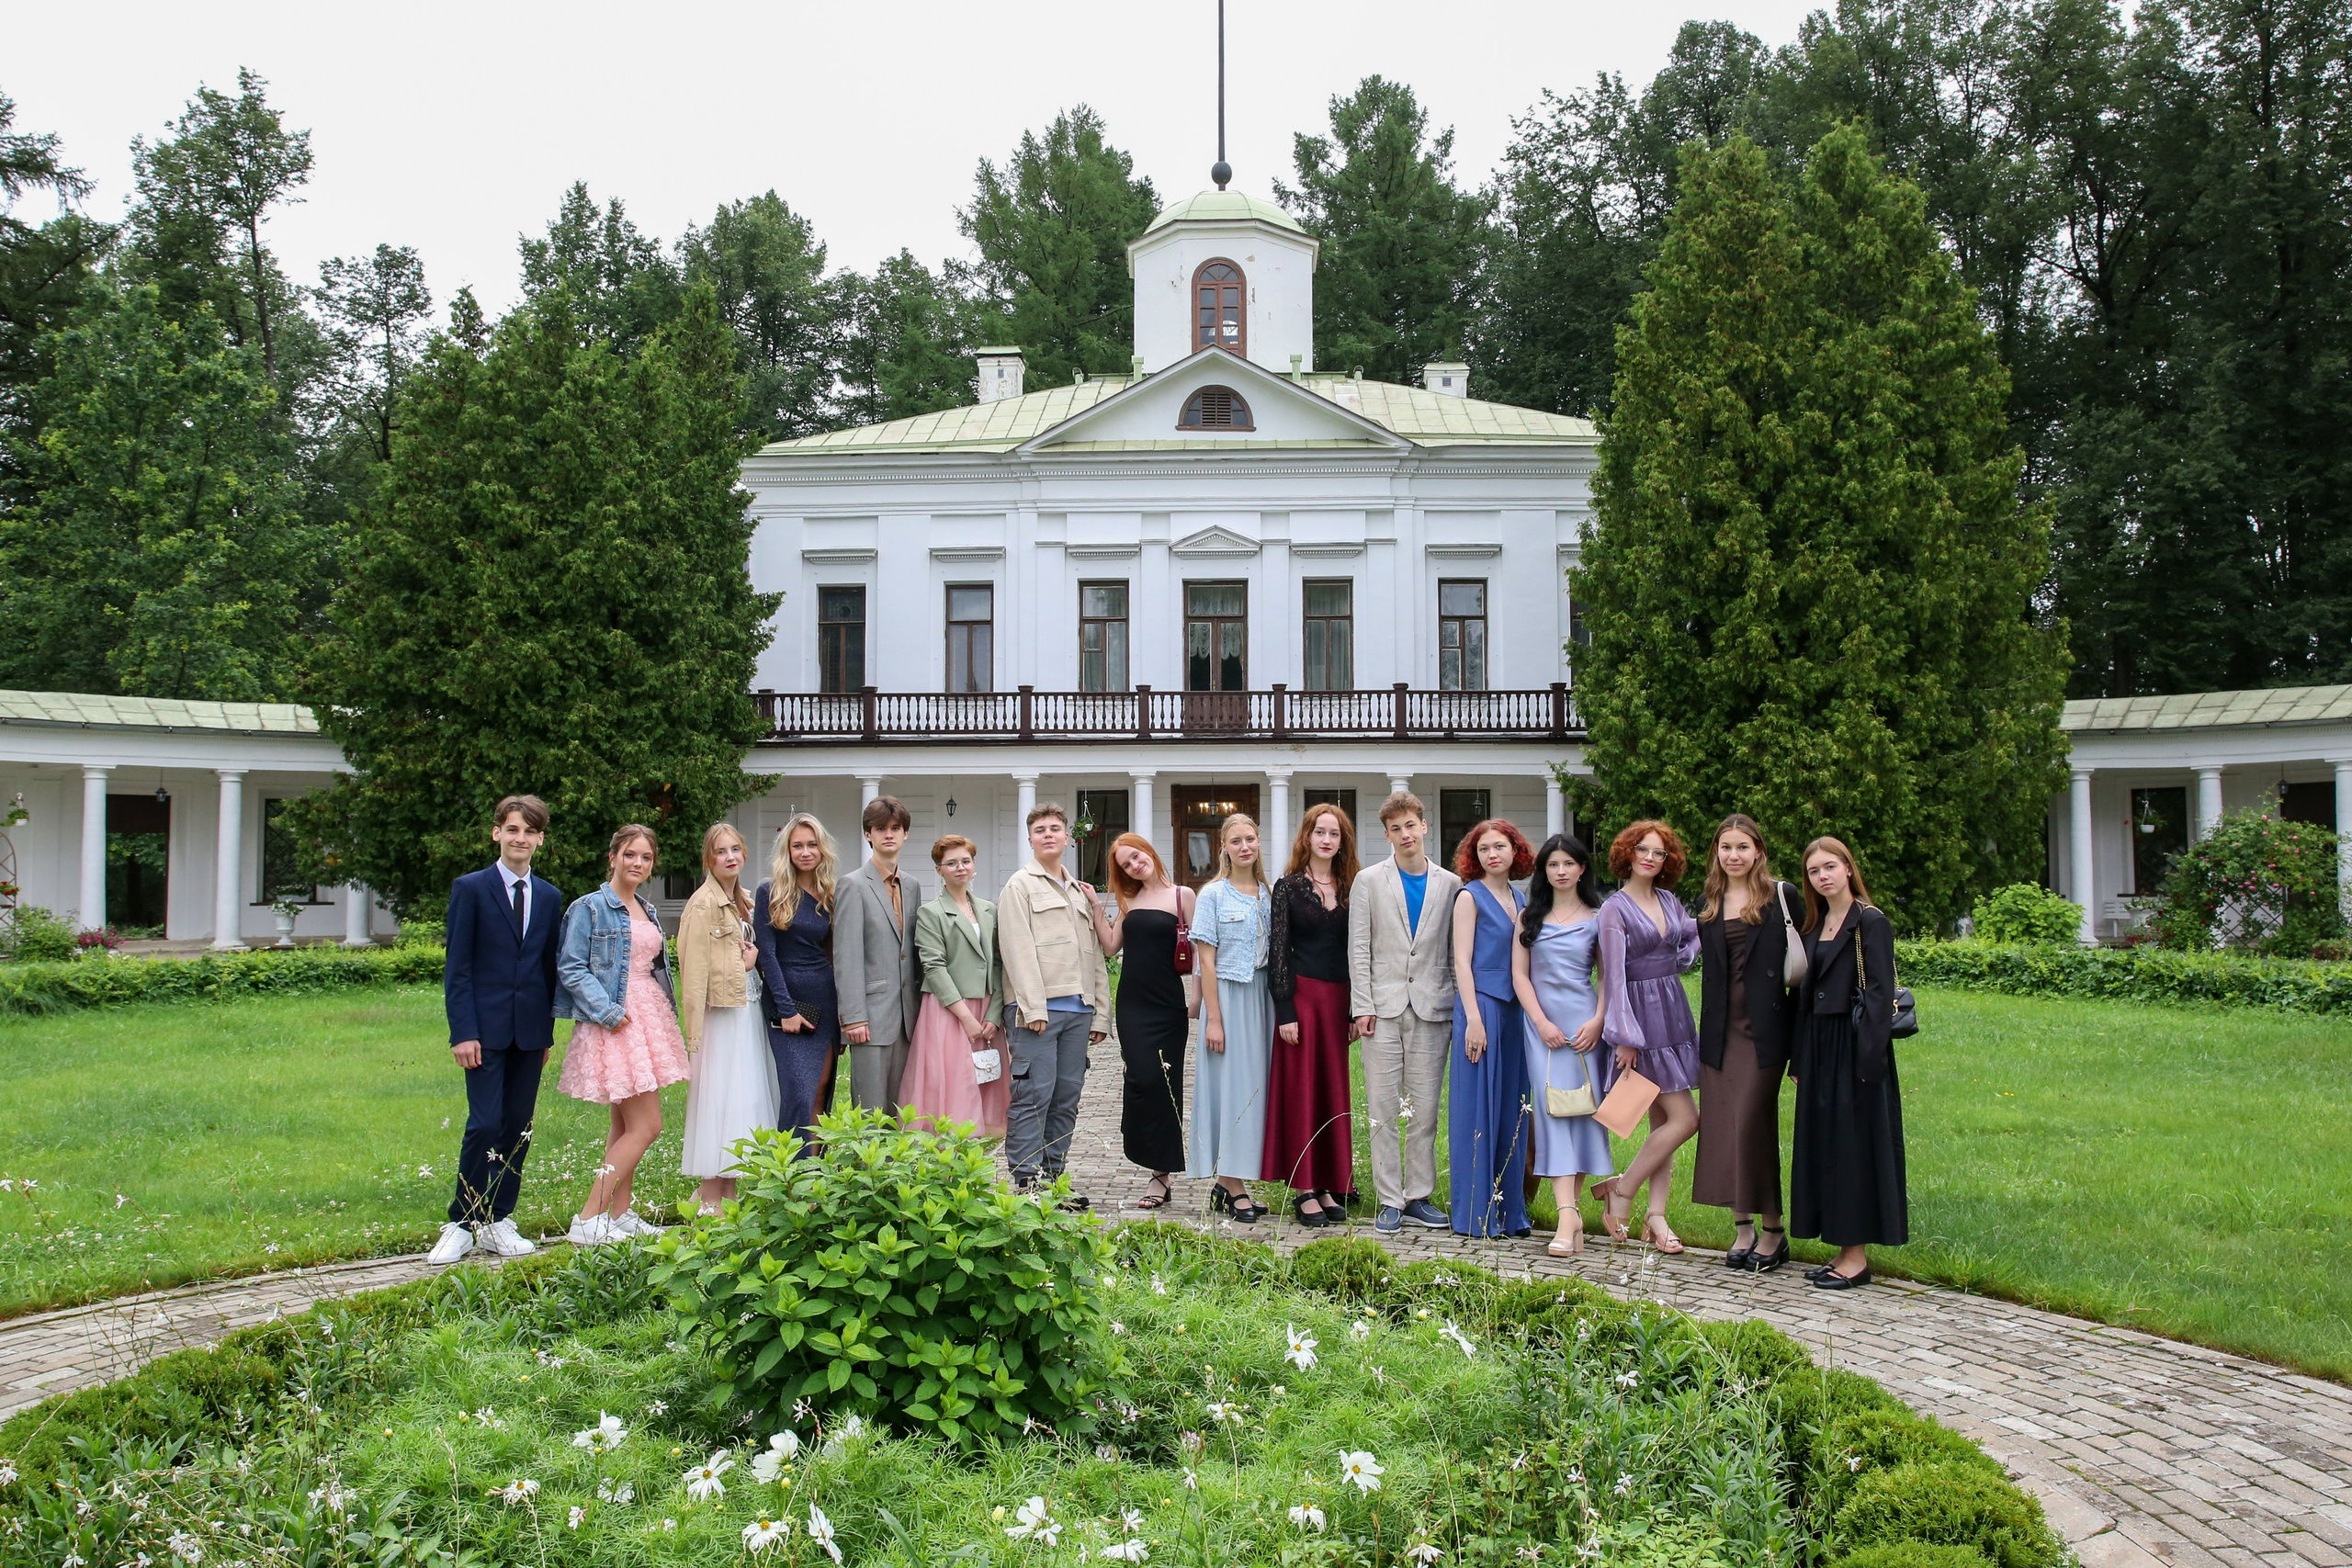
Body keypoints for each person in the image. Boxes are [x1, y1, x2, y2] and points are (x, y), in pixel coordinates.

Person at [430, 794, 563, 1266]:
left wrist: (546, 1034)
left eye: (529, 832)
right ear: (497, 834)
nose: (520, 839)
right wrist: (462, 1031)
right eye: (512, 830)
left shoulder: (549, 896)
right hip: (482, 1032)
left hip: (529, 1033)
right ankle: (462, 1222)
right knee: (484, 1122)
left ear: (539, 839)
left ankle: (498, 1219)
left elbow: (548, 969)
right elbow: (458, 967)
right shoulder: (471, 888)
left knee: (518, 1127)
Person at [554, 823, 692, 1246]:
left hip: (648, 1017)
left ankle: (618, 1211)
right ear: (612, 857)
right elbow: (571, 966)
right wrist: (608, 1012)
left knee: (624, 1122)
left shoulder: (645, 909)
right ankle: (589, 1217)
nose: (638, 863)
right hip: (617, 1019)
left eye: (646, 857)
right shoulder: (590, 908)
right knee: (647, 1125)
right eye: (630, 854)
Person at [1791, 835, 1907, 1290]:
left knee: (1853, 1149)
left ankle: (1856, 1258)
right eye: (1815, 871)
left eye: (1830, 867)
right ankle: (1841, 1248)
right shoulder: (1815, 922)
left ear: (1847, 868)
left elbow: (1879, 995)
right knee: (1827, 1148)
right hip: (1819, 1045)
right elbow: (1802, 993)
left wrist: (1869, 1060)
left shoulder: (1870, 921)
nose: (1822, 876)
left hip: (1855, 1045)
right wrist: (1799, 1058)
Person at [1694, 814, 1804, 1272]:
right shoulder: (1708, 899)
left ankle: (1774, 1230)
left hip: (1765, 1033)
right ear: (1716, 852)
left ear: (1758, 850)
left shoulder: (1782, 896)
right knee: (1721, 1128)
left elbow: (1805, 968)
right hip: (1719, 1032)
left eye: (1742, 847)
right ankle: (1743, 1228)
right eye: (1726, 847)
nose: (1733, 855)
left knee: (1752, 1125)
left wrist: (1802, 1046)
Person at [1347, 791, 1461, 1235]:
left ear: (1424, 826)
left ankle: (1419, 1195)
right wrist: (1362, 1007)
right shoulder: (1369, 881)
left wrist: (1451, 1000)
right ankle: (1389, 1199)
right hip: (1382, 1009)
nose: (1405, 834)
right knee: (1383, 1107)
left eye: (1411, 825)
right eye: (1396, 829)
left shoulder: (1450, 885)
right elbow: (1359, 947)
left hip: (1433, 1009)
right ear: (1388, 835)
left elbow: (1454, 951)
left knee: (1424, 1109)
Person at [1590, 820, 1703, 1253]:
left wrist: (1684, 953)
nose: (1651, 858)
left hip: (1673, 1010)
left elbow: (1692, 934)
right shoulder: (1614, 909)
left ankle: (1656, 1218)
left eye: (1660, 853)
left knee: (1664, 1125)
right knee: (1686, 1119)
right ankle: (1622, 1189)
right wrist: (1624, 1035)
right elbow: (1612, 976)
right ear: (1628, 853)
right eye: (1644, 850)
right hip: (1639, 1019)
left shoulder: (1670, 900)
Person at [997, 802, 1112, 1201]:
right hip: (1037, 1014)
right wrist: (1033, 1007)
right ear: (1030, 839)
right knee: (1034, 1096)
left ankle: (1054, 1179)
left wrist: (1100, 1014)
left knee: (1066, 1099)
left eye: (1055, 829)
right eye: (1040, 829)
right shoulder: (1019, 886)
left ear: (1068, 838)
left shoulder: (1078, 891)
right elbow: (1017, 950)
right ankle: (1028, 1182)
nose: (1048, 834)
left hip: (1078, 1014)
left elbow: (1094, 953)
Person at [1510, 832, 1613, 1257]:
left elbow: (1608, 977)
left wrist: (1598, 1021)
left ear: (1581, 868)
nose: (1560, 871)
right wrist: (1541, 1022)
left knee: (1584, 1113)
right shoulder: (1528, 918)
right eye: (1552, 865)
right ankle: (1567, 1213)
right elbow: (1520, 976)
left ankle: (1571, 1218)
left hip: (1585, 1027)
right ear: (1544, 871)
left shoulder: (1599, 916)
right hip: (1542, 1030)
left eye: (1568, 864)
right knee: (1553, 1112)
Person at [1266, 804, 1361, 1226]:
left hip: (1339, 1001)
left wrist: (1356, 1011)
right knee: (1302, 1090)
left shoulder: (1354, 887)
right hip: (1301, 1000)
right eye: (1319, 832)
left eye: (1334, 833)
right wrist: (1285, 1010)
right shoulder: (1287, 888)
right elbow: (1278, 953)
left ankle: (1327, 1182)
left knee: (1330, 1090)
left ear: (1342, 841)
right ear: (1306, 838)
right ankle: (1303, 1187)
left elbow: (1360, 953)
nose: (1326, 839)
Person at [677, 823, 777, 1214]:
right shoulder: (702, 905)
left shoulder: (746, 901)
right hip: (721, 1015)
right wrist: (694, 1033)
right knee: (722, 1098)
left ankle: (729, 1190)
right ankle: (708, 1193)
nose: (730, 857)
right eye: (721, 851)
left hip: (747, 1008)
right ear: (709, 859)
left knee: (743, 1098)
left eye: (735, 848)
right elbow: (693, 969)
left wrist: (753, 959)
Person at [1448, 818, 1534, 1238]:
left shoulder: (1519, 898)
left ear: (1515, 851)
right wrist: (1474, 1021)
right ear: (1474, 855)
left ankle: (1509, 1212)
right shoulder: (1470, 896)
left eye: (1499, 846)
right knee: (1477, 1112)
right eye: (1483, 849)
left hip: (1513, 1014)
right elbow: (1461, 961)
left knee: (1510, 1112)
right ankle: (1475, 1215)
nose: (1492, 854)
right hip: (1480, 1008)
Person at [1097, 832, 1193, 1211]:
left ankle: (1161, 1175)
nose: (1135, 865)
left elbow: (1200, 951)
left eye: (1136, 857)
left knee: (1164, 1082)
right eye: (1126, 865)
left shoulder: (1183, 896)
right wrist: (1093, 905)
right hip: (1133, 1005)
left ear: (1149, 852)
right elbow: (1110, 946)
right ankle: (1140, 1147)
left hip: (1169, 1005)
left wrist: (1199, 1000)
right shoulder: (1129, 899)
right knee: (1140, 1078)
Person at [1189, 812, 1273, 1222]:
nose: (1244, 846)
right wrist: (1215, 1019)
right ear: (1224, 846)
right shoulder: (1213, 895)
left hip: (1262, 998)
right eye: (1236, 840)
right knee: (1227, 1088)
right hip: (1226, 996)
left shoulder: (1268, 894)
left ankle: (1231, 1180)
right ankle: (1231, 1182)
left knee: (1254, 1090)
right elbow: (1205, 962)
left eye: (1251, 839)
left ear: (1258, 844)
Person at [903, 834, 1010, 1137]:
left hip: (987, 1008)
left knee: (985, 1081)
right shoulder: (930, 913)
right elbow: (933, 967)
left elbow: (1000, 963)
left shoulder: (989, 909)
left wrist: (993, 1014)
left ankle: (977, 1158)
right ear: (939, 870)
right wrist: (966, 1018)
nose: (960, 868)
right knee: (951, 1084)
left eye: (965, 861)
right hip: (948, 1010)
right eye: (951, 863)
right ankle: (946, 1159)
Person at [833, 796, 923, 1114]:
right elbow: (846, 956)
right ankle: (868, 1167)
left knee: (901, 1111)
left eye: (895, 828)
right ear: (867, 834)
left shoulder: (912, 886)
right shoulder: (852, 885)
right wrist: (853, 1017)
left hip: (907, 1019)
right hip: (870, 1017)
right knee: (870, 1112)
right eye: (880, 828)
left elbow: (911, 953)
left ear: (905, 834)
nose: (889, 834)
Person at [754, 813, 840, 1148]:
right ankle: (792, 1179)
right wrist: (786, 1009)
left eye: (812, 845)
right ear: (787, 851)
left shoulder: (830, 894)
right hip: (787, 1003)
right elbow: (767, 954)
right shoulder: (770, 892)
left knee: (821, 1089)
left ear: (822, 849)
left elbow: (834, 953)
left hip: (825, 999)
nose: (805, 852)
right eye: (798, 846)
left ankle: (816, 1177)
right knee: (798, 1094)